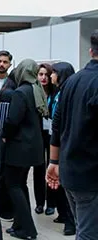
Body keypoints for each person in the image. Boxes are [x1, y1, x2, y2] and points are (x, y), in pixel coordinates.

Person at [47, 32, 97, 239]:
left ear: (90, 51)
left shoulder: (72, 81)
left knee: (83, 228)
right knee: (89, 233)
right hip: (91, 175)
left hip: (70, 171)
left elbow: (57, 123)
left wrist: (53, 161)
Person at [0, 59, 45, 240]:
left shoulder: (20, 92)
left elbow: (12, 120)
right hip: (33, 147)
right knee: (21, 184)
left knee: (13, 185)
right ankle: (19, 224)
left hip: (18, 147)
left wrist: (4, 135)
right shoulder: (36, 90)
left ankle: (28, 229)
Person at [45, 61, 78, 236]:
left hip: (64, 143)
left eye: (53, 73)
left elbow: (58, 122)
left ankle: (70, 222)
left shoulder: (65, 94)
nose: (50, 76)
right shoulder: (57, 93)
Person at [33, 63, 54, 217]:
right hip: (38, 133)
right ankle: (39, 202)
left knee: (51, 167)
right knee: (39, 168)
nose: (43, 78)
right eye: (40, 74)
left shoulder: (55, 94)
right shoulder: (34, 92)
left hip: (52, 134)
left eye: (46, 74)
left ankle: (51, 203)